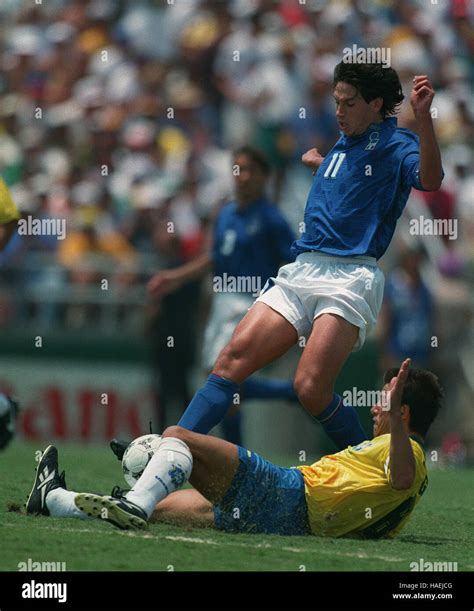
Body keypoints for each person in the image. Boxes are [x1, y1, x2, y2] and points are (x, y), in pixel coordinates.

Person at [169, 61, 444, 452]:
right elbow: (351, 179)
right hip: (303, 268)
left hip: (350, 274)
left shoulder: (397, 144)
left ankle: (372, 471)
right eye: (336, 102)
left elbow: (431, 180)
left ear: (375, 103)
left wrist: (425, 121)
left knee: (311, 389)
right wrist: (321, 163)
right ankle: (167, 452)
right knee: (228, 363)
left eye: (348, 103)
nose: (339, 111)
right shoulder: (344, 145)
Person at [25, 359, 443, 539]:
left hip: (287, 493)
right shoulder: (401, 460)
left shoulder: (408, 456)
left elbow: (402, 475)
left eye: (386, 399)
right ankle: (53, 498)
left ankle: (141, 490)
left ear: (403, 411)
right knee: (160, 509)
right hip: (291, 522)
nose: (375, 405)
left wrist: (398, 426)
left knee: (179, 434)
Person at [148, 146, 297, 444]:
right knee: (223, 384)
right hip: (222, 300)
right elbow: (213, 258)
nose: (242, 177)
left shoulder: (272, 219)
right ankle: (240, 450)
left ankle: (183, 444)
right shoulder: (226, 213)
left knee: (222, 378)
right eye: (237, 169)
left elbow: (293, 264)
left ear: (264, 176)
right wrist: (175, 277)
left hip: (250, 302)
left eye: (250, 170)